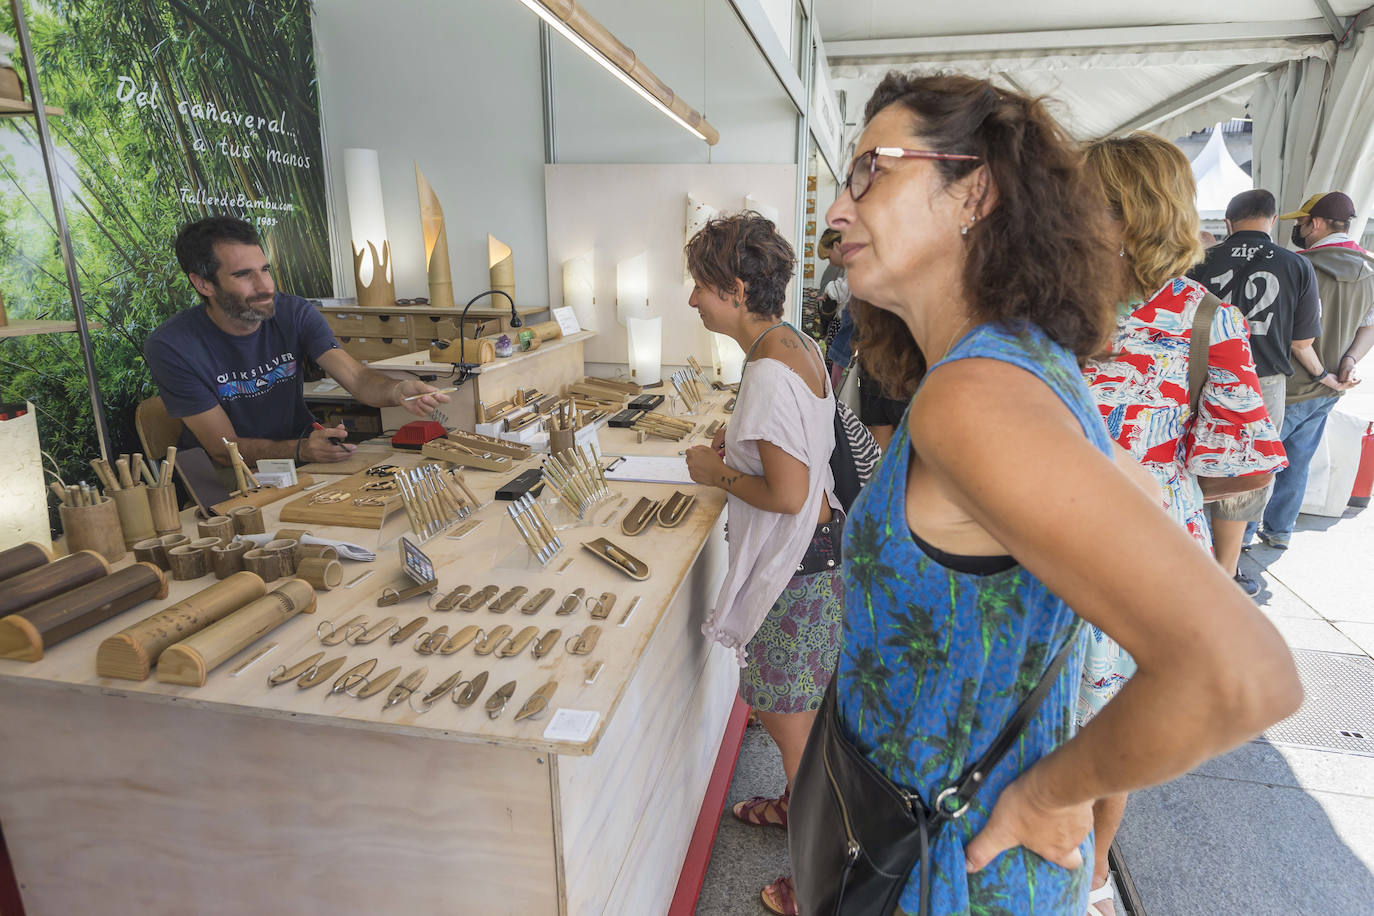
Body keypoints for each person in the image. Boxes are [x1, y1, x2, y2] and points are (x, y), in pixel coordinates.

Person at [804, 72, 1299, 916]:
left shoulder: (976, 396)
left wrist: (1050, 790)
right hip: (926, 842)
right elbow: (1133, 499)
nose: (836, 211)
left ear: (976, 191)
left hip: (944, 868)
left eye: (872, 170)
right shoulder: (1010, 364)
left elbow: (1240, 673)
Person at [1080, 132, 1287, 914]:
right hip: (1032, 538)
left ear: (1132, 211)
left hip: (1143, 558)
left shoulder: (1206, 320)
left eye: (1088, 198)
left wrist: (1217, 576)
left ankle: (1094, 873)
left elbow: (1242, 462)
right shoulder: (1042, 300)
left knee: (1114, 728)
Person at [682, 212, 843, 915]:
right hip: (815, 565)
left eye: (702, 286)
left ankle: (818, 886)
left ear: (738, 289)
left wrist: (713, 470)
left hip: (794, 573)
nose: (693, 300)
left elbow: (788, 492)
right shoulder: (792, 343)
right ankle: (795, 815)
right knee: (803, 725)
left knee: (797, 738)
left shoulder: (770, 374)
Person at [145, 216, 447, 467]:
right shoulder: (173, 346)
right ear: (203, 283)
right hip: (231, 477)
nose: (265, 286)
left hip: (301, 457)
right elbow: (225, 450)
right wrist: (300, 449)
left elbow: (356, 377)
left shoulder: (294, 312)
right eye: (243, 275)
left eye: (265, 270)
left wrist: (397, 390)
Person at [1189, 188, 1329, 594]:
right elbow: (1302, 343)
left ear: (1229, 223)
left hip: (1197, 375)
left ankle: (1190, 552)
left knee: (1193, 464)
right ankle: (1227, 572)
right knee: (1245, 474)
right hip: (1261, 383)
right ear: (1270, 220)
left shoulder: (1201, 261)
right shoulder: (1295, 265)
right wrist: (1327, 377)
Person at [1257, 191, 1374, 549]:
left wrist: (1323, 372)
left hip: (1289, 383)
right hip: (1330, 389)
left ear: (1318, 223)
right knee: (1298, 459)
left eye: (1302, 223)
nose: (1300, 229)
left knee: (1261, 462)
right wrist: (1347, 365)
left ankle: (1243, 534)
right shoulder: (1370, 267)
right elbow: (1369, 326)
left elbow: (1295, 339)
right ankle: (1279, 531)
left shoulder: (1297, 265)